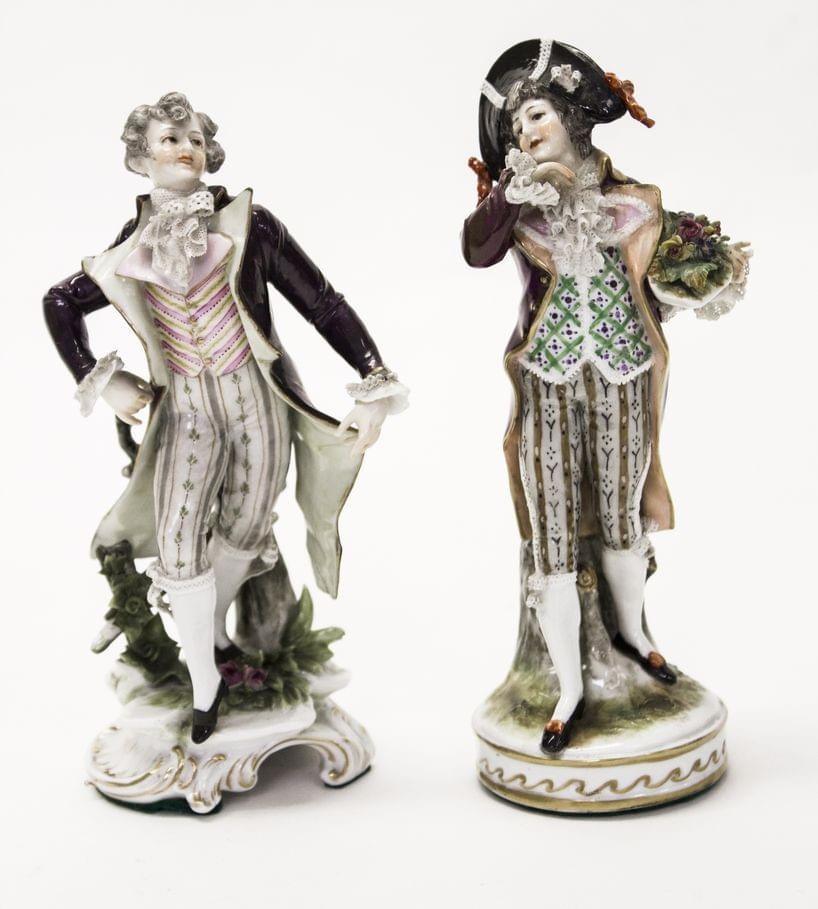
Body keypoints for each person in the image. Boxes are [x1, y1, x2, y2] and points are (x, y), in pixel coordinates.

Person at [44, 92, 407, 743]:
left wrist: (373, 378)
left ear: (209, 151)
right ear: (140, 159)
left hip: (255, 400)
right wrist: (101, 379)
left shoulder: (249, 225)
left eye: (193, 139)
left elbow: (323, 304)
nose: (184, 148)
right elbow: (60, 303)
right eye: (168, 139)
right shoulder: (132, 245)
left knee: (245, 522)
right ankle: (204, 682)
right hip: (185, 408)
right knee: (179, 532)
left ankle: (209, 634)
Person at [462, 41, 749, 753]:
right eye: (516, 126)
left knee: (623, 511)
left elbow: (665, 276)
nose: (527, 131)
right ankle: (566, 687)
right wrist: (511, 192)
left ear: (569, 116)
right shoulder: (519, 204)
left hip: (622, 370)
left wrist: (704, 277)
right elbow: (475, 248)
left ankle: (635, 635)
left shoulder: (634, 202)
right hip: (549, 376)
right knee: (553, 524)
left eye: (536, 115)